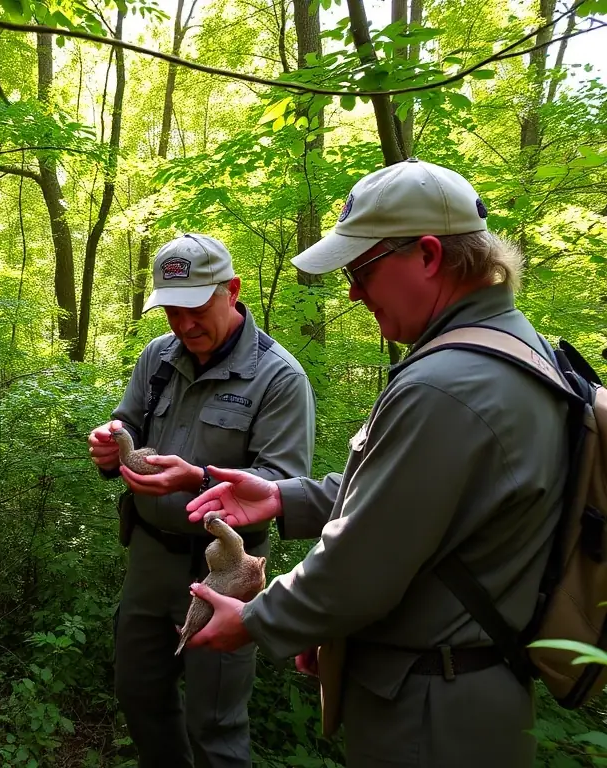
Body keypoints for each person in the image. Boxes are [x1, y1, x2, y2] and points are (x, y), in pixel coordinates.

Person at [183, 159, 568, 767]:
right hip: (461, 694)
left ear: (430, 256)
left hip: (428, 715)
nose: (354, 291)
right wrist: (285, 497)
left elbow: (363, 562)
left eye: (362, 269)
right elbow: (419, 501)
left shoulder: (446, 384)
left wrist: (260, 619)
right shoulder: (515, 350)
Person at [87, 233, 315, 767]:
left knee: (214, 722)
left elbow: (283, 484)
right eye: (170, 310)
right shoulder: (159, 357)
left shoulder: (278, 377)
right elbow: (130, 422)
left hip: (223, 573)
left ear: (231, 291)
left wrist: (195, 479)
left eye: (195, 307)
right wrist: (110, 442)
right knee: (139, 694)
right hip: (148, 559)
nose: (183, 325)